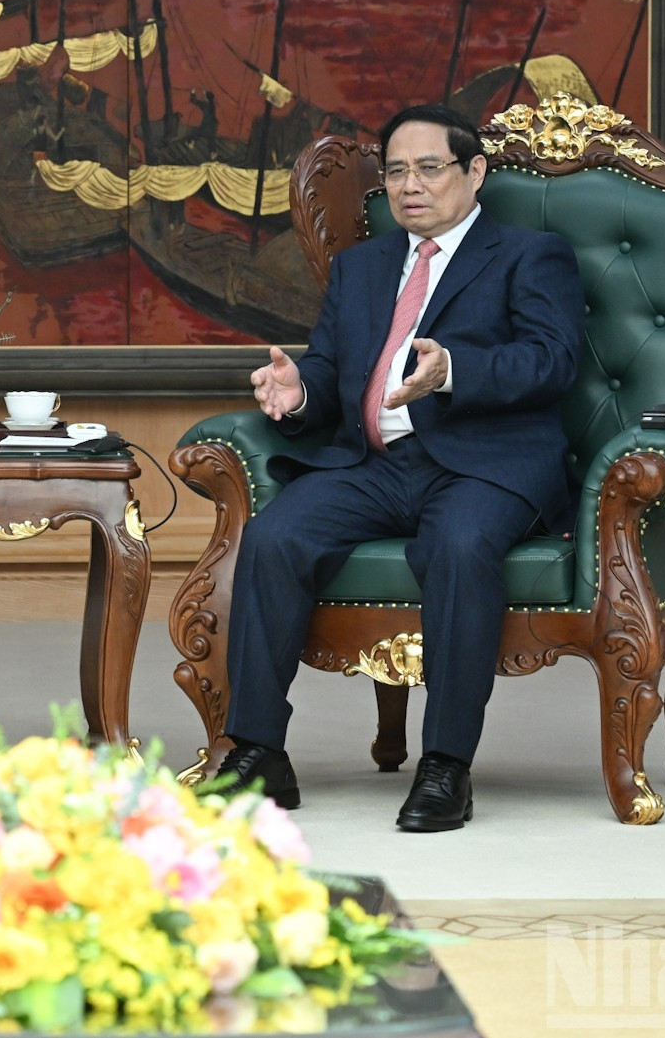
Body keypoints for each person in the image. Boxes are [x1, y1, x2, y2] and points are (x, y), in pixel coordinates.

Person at [212, 103, 584, 832]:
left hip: (482, 464)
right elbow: (330, 368)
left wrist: (455, 370)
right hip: (376, 462)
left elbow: (554, 359)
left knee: (459, 544)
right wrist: (300, 391)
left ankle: (445, 764)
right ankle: (258, 750)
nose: (410, 186)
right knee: (275, 536)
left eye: (429, 168)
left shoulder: (528, 254)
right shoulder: (363, 266)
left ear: (474, 172)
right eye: (396, 172)